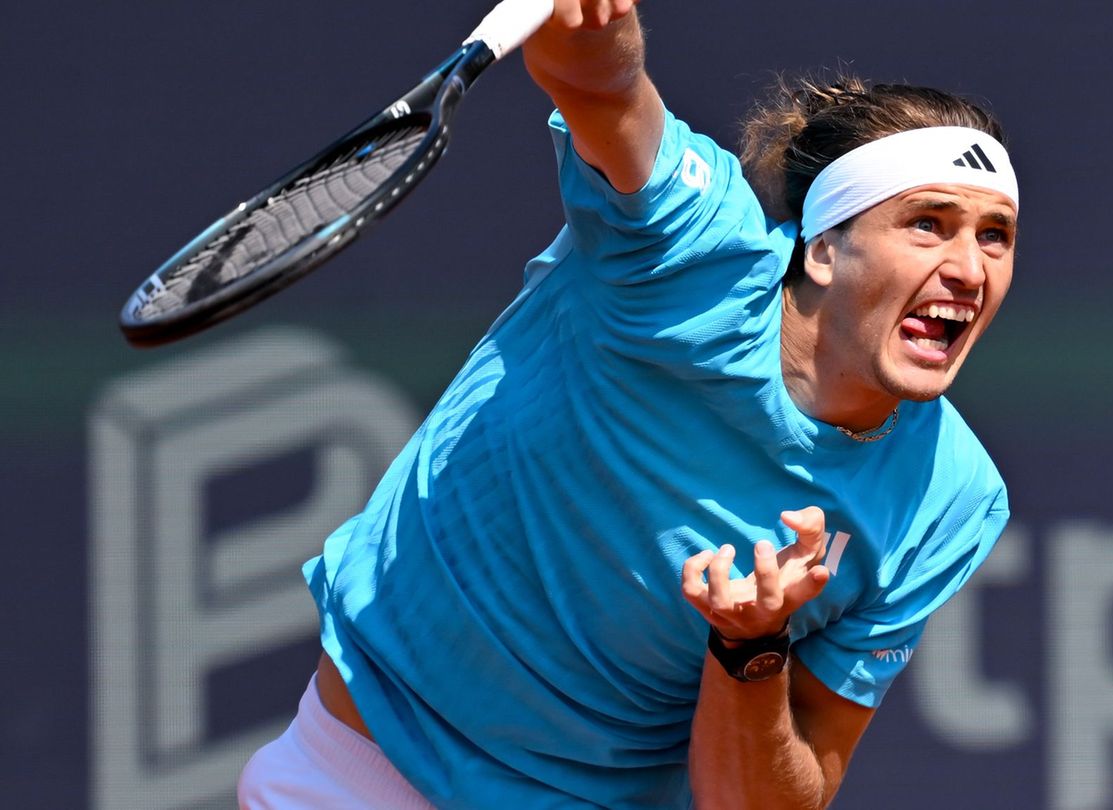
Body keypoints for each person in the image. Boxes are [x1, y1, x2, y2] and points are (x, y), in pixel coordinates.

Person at [238, 1, 1019, 807]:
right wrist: (593, 22)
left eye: (994, 235)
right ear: (822, 250)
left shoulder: (951, 498)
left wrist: (749, 649)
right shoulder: (690, 247)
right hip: (356, 776)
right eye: (928, 224)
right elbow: (604, 88)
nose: (970, 269)